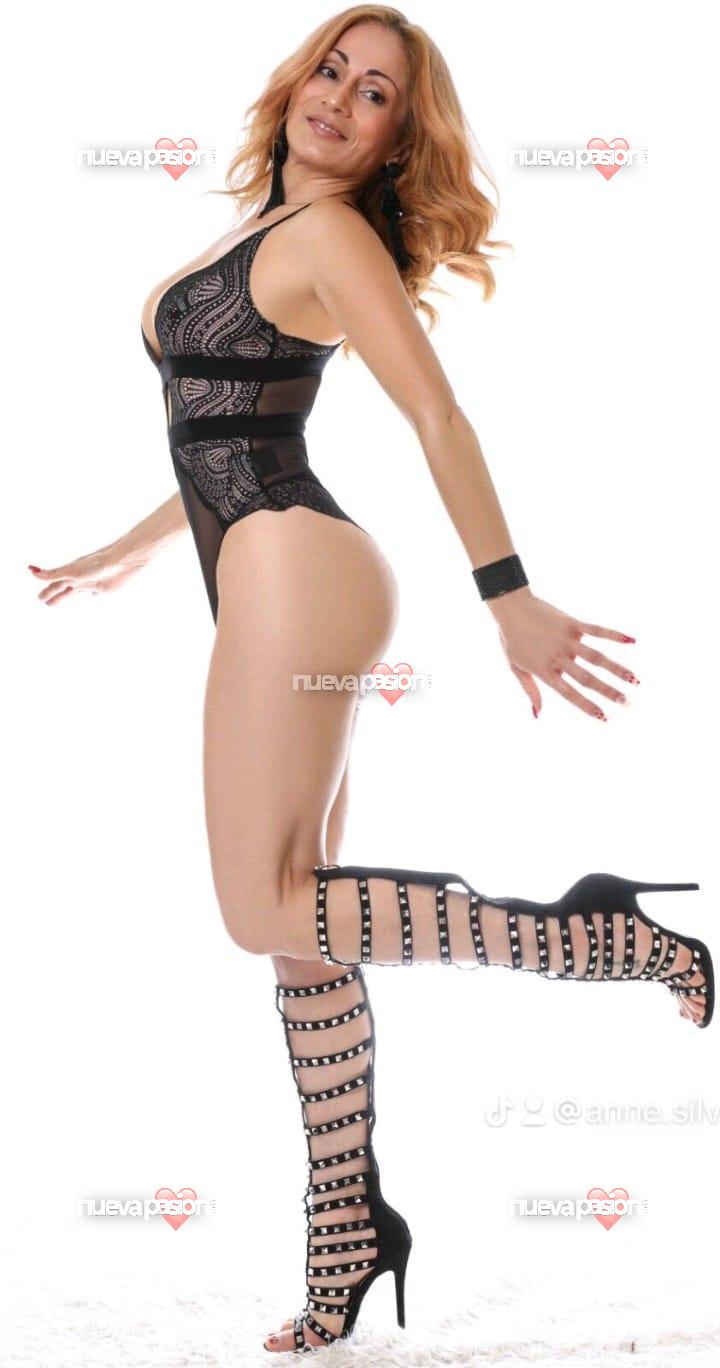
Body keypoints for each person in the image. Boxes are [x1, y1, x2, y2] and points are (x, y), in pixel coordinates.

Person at [28, 5, 713, 1356]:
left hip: (298, 565)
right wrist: (131, 545)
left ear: (400, 138)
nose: (340, 97)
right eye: (333, 68)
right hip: (262, 560)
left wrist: (507, 593)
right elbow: (229, 420)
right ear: (298, 78)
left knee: (259, 907)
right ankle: (346, 1229)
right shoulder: (265, 228)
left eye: (378, 92)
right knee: (304, 926)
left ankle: (601, 937)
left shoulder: (333, 236)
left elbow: (436, 413)